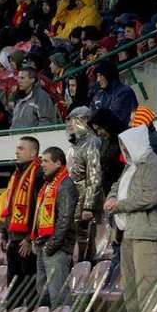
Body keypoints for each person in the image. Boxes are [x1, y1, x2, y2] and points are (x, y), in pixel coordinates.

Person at [103, 126, 157, 312]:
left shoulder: (153, 164)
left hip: (147, 233)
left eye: (125, 145)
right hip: (127, 233)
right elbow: (116, 186)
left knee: (147, 286)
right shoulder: (130, 167)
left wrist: (119, 205)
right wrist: (111, 198)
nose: (123, 150)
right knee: (130, 288)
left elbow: (151, 196)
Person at [0, 136, 45, 309]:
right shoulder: (16, 174)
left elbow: (40, 208)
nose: (16, 151)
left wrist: (29, 238)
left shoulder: (39, 174)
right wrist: (4, 233)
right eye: (17, 148)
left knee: (31, 291)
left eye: (21, 148)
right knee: (13, 294)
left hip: (28, 244)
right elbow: (9, 206)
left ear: (33, 152)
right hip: (13, 240)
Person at [33, 146, 78, 308]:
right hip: (44, 245)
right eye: (41, 161)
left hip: (56, 248)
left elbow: (64, 220)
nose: (42, 165)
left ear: (58, 163)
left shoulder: (65, 185)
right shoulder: (48, 185)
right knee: (44, 296)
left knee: (58, 297)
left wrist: (50, 246)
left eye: (46, 161)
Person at [64, 107, 103, 261]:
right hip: (72, 199)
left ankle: (85, 270)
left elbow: (94, 176)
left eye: (75, 120)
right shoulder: (74, 146)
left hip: (84, 200)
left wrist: (89, 205)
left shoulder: (92, 143)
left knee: (85, 239)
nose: (70, 124)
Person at [90, 59, 139, 126]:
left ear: (109, 74)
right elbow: (92, 116)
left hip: (126, 133)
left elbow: (112, 118)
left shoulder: (124, 92)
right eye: (97, 76)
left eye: (101, 75)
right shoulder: (99, 94)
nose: (98, 80)